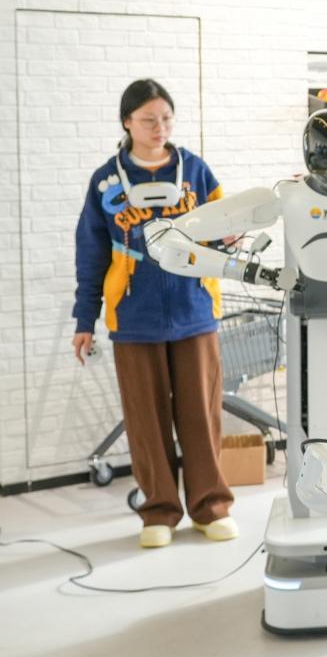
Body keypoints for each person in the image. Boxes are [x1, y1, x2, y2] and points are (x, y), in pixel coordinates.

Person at [72, 79, 238, 549]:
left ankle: (210, 507)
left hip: (194, 309)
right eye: (148, 120)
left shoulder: (195, 172)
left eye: (166, 118)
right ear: (127, 122)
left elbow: (223, 227)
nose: (159, 128)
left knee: (201, 415)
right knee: (146, 421)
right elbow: (91, 255)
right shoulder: (105, 182)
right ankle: (159, 511)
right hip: (133, 317)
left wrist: (231, 238)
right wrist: (84, 321)